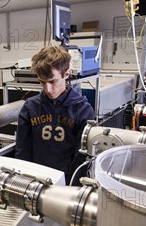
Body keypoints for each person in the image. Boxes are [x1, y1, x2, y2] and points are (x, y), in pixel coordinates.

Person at [15, 46, 95, 184]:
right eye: (42, 82)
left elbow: (81, 158)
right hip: (35, 180)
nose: (48, 89)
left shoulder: (82, 110)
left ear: (66, 74)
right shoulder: (30, 107)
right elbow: (22, 150)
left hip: (66, 181)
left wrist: (71, 186)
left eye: (52, 81)